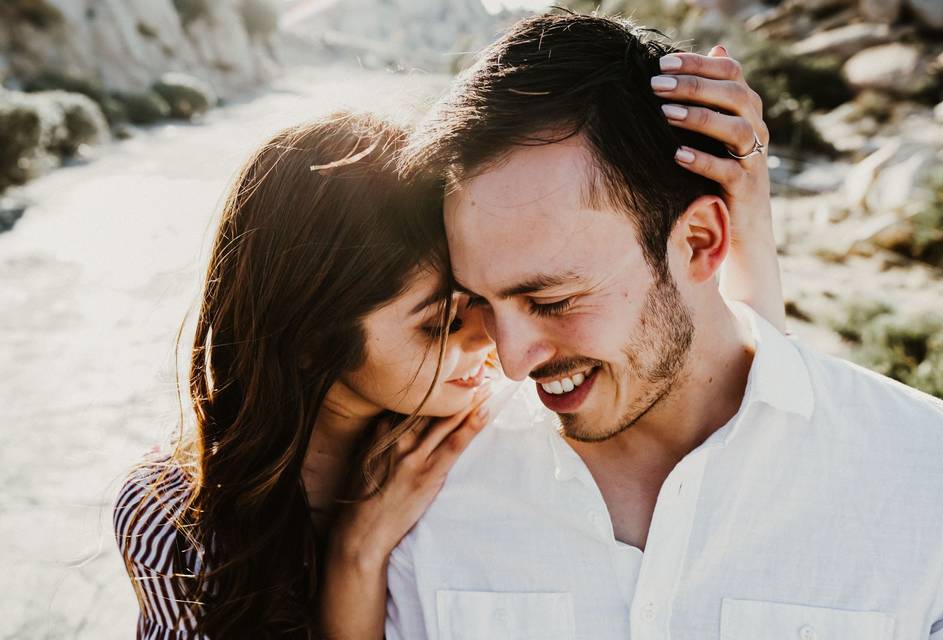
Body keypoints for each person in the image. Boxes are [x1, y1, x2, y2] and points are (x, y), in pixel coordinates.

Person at [114, 29, 779, 640]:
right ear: (314, 336)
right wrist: (357, 551)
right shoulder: (176, 518)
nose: (498, 350)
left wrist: (745, 217)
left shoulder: (471, 433)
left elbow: (742, 419)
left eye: (481, 303)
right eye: (439, 323)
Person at [387, 12, 943, 640]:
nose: (514, 361)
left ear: (699, 240)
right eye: (479, 305)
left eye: (551, 301)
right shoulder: (420, 497)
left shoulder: (936, 488)